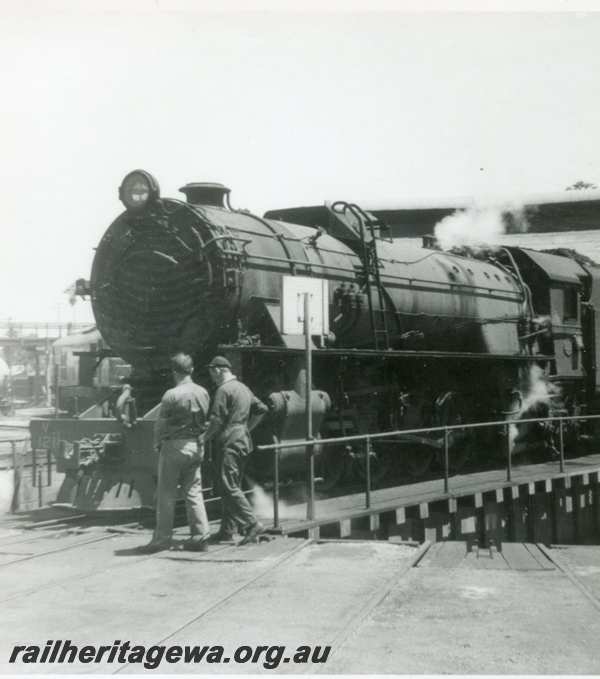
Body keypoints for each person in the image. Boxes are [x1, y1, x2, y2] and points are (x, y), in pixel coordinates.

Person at [139, 352, 211, 554]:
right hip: (196, 445)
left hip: (174, 447)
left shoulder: (171, 394)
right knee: (194, 491)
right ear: (192, 370)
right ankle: (201, 536)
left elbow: (161, 425)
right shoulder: (203, 392)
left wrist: (157, 443)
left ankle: (162, 539)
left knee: (166, 494)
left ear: (174, 372)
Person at [203, 356, 269, 545]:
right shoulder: (243, 388)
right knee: (233, 485)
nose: (212, 377)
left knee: (228, 485)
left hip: (229, 441)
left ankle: (252, 523)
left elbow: (216, 420)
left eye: (212, 373)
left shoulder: (223, 390)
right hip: (243, 440)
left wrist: (204, 437)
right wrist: (247, 427)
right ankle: (227, 530)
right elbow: (262, 409)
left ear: (218, 370)